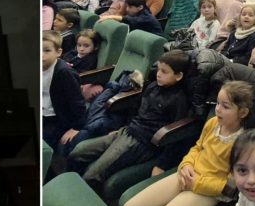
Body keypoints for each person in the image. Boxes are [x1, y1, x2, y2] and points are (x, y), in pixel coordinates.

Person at [119, 81, 254, 206]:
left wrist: (196, 182)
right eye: (217, 103)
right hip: (187, 175)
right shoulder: (212, 124)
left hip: (206, 192)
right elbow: (197, 148)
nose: (217, 109)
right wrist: (186, 166)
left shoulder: (243, 144)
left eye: (226, 106)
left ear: (242, 112)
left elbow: (229, 189)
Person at [68, 51, 191, 191]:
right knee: (78, 152)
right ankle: (68, 187)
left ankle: (79, 198)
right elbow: (136, 110)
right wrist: (122, 128)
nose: (158, 74)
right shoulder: (152, 86)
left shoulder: (179, 99)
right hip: (127, 131)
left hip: (141, 143)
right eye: (158, 69)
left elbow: (176, 136)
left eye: (164, 72)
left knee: (92, 175)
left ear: (178, 76)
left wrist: (162, 164)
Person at [42, 31, 86, 151]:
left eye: (47, 50)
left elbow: (77, 102)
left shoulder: (64, 73)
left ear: (58, 52)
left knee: (43, 145)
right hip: (42, 113)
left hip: (56, 118)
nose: (41, 55)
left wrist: (77, 127)